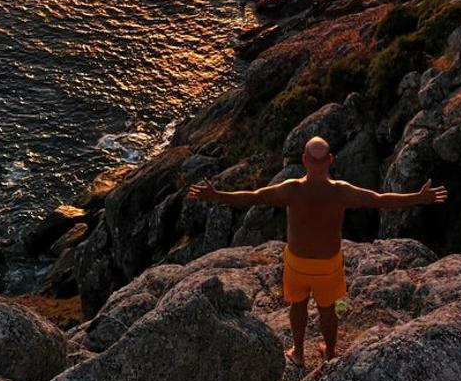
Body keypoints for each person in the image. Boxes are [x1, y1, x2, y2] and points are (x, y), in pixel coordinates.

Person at [188, 135, 447, 367]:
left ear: (303, 160)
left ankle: (299, 353)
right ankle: (330, 353)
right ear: (330, 160)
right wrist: (418, 197)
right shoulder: (341, 192)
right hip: (327, 265)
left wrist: (217, 194)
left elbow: (254, 196)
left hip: (297, 263)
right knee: (328, 311)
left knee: (297, 307)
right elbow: (380, 200)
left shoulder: (292, 189)